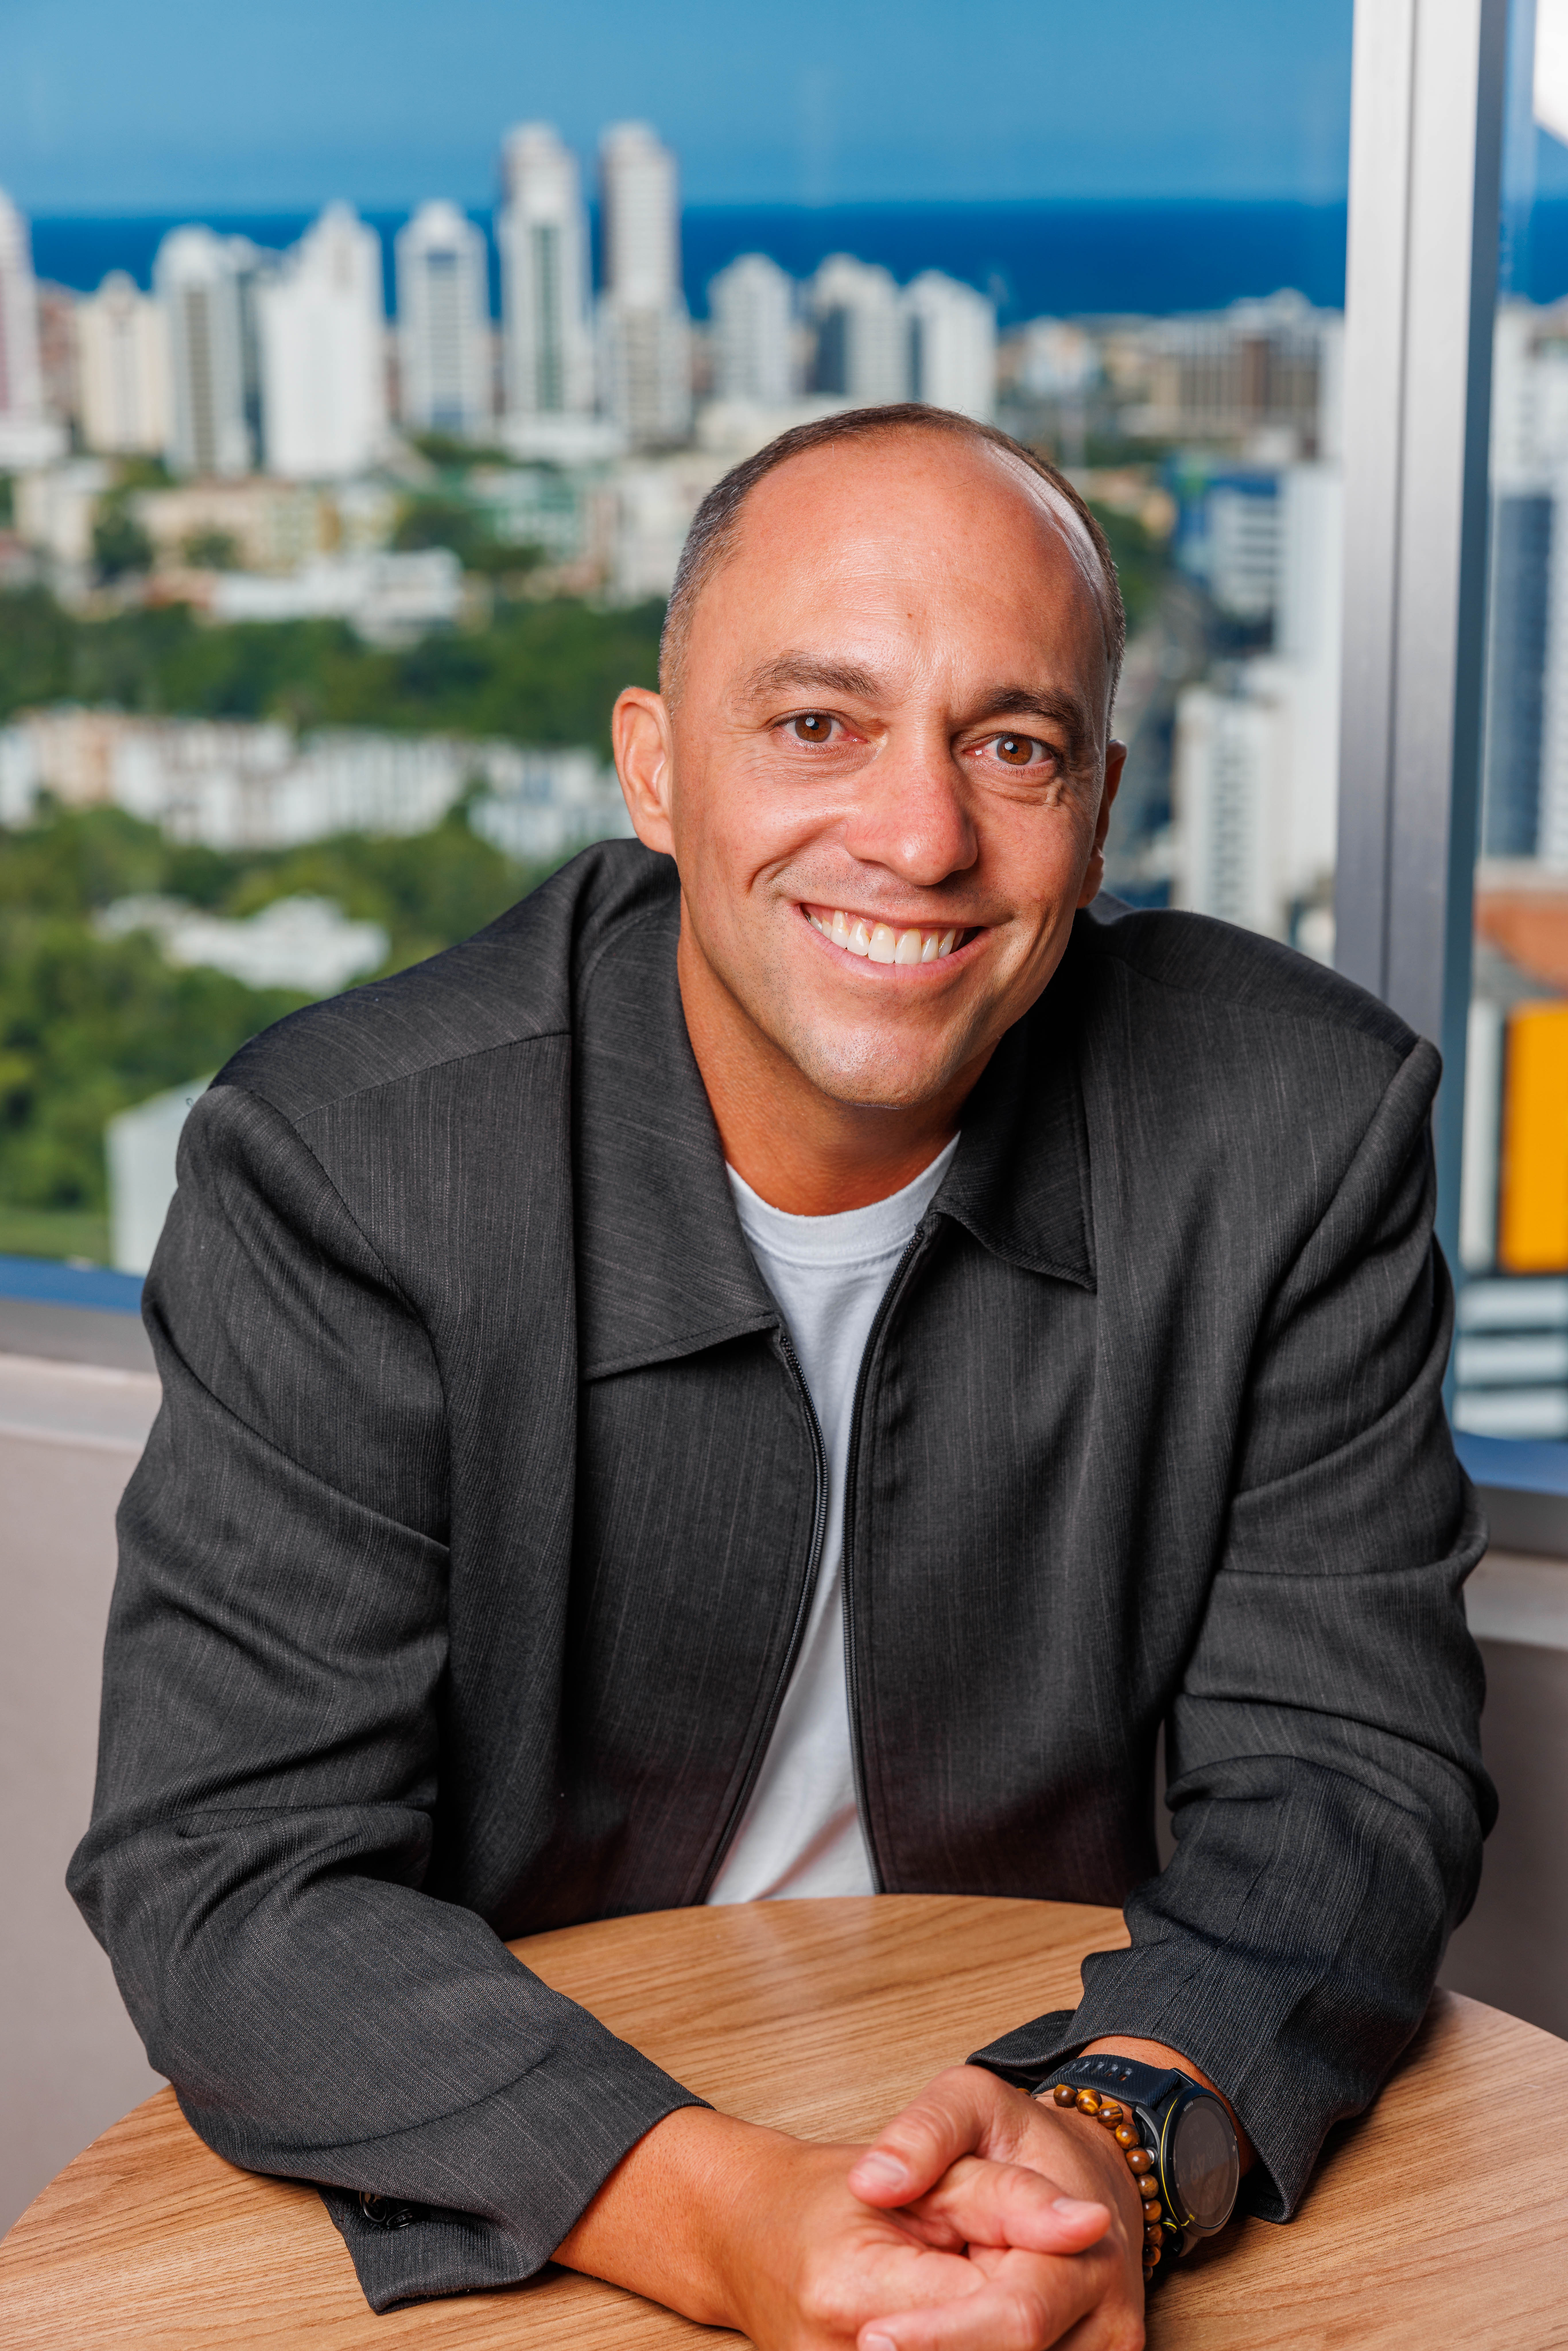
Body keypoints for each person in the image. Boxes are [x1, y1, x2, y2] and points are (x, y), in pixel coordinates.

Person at [71, 405, 1492, 2351]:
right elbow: (231, 1874)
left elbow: (1347, 1775)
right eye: (818, 724)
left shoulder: (1296, 1126)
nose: (918, 837)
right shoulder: (351, 1164)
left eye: (1012, 746)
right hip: (531, 2164)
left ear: (1099, 810)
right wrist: (731, 2219)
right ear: (654, 768)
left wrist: (1115, 2144)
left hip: (1027, 2098)